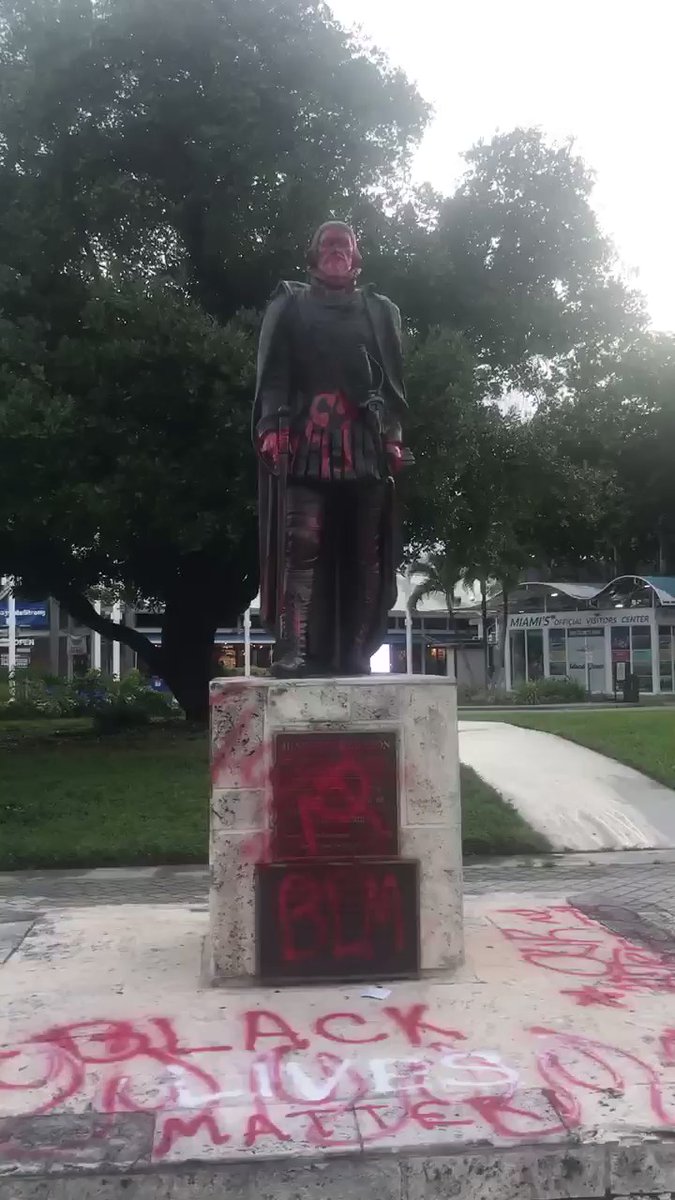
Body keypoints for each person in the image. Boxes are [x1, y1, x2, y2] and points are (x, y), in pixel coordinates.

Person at [253, 221, 413, 677]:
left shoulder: (380, 311)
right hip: (306, 439)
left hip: (365, 442)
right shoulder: (292, 304)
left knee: (366, 552)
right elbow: (276, 372)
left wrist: (393, 439)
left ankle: (357, 651)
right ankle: (294, 650)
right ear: (314, 254)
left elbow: (393, 383)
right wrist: (271, 425)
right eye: (328, 244)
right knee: (299, 545)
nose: (337, 251)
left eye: (345, 246)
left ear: (357, 257)